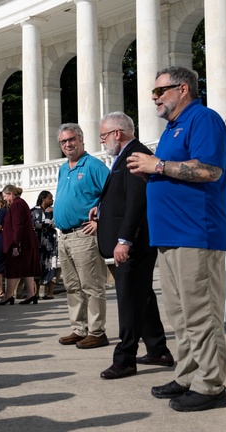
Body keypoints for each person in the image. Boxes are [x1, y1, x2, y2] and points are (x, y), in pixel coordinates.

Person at [127, 66, 226, 412]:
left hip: (195, 234)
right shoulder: (173, 129)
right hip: (170, 237)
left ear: (182, 89)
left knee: (201, 314)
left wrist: (157, 167)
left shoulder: (204, 119)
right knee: (180, 315)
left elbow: (209, 170)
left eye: (160, 91)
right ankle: (187, 375)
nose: (154, 98)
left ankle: (211, 385)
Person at [89, 113, 173, 381]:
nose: (102, 141)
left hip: (133, 243)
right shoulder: (125, 155)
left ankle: (125, 358)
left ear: (117, 133)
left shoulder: (135, 154)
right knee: (142, 297)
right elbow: (123, 197)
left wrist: (124, 240)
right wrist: (100, 209)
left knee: (128, 300)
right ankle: (158, 350)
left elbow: (137, 202)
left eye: (103, 135)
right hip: (131, 241)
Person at [53, 124, 110, 348]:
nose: (68, 144)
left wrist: (99, 221)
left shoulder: (94, 165)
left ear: (82, 140)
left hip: (83, 234)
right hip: (65, 236)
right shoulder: (63, 168)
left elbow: (113, 195)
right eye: (64, 141)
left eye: (72, 139)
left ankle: (97, 331)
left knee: (91, 285)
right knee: (72, 286)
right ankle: (79, 328)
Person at [0, 185, 40, 306]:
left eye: (5, 196)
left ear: (11, 193)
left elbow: (18, 225)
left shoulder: (17, 205)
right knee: (27, 269)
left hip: (20, 242)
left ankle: (8, 295)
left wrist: (16, 244)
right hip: (27, 241)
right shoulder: (20, 203)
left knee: (13, 268)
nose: (5, 199)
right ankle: (31, 294)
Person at [31, 190, 59, 299]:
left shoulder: (53, 211)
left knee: (52, 264)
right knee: (38, 265)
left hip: (51, 241)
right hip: (38, 240)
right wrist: (47, 224)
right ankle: (36, 292)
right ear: (43, 199)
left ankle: (50, 292)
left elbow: (57, 222)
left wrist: (55, 211)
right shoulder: (33, 211)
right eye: (50, 198)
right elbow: (34, 224)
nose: (52, 200)